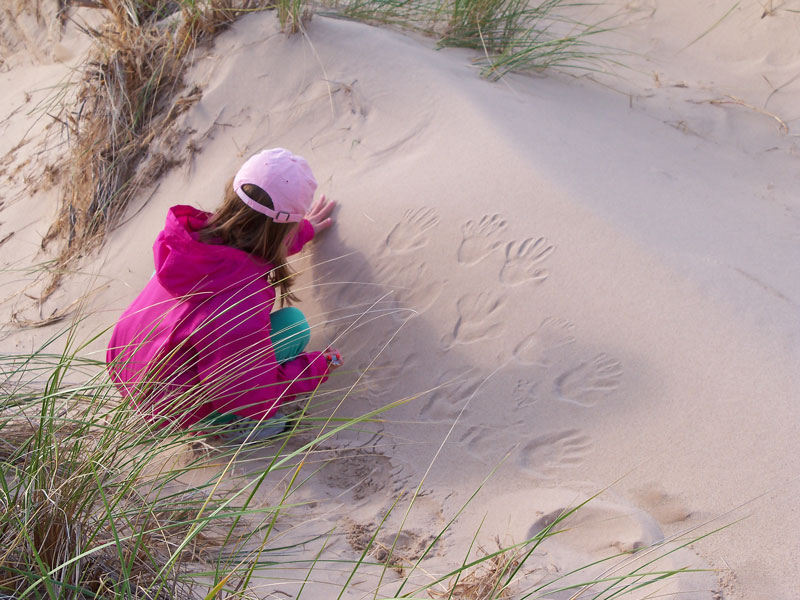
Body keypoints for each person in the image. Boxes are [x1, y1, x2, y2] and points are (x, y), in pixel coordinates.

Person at [106, 148, 341, 436]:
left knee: (283, 327)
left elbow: (253, 241)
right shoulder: (241, 299)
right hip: (170, 408)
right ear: (283, 229)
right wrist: (315, 367)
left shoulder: (191, 241)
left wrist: (301, 233)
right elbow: (248, 394)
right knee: (293, 331)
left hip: (130, 372)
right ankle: (224, 428)